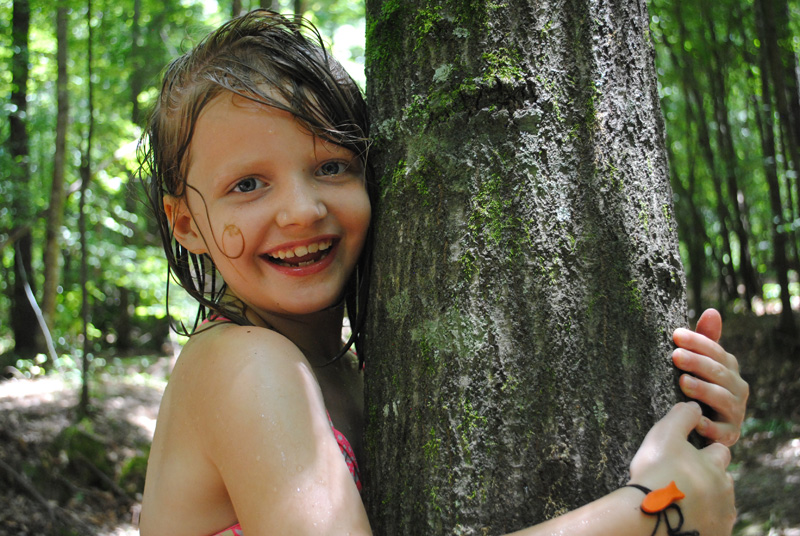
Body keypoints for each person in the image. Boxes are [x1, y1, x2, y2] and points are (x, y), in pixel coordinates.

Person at [138, 10, 749, 536]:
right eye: (248, 184)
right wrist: (657, 509)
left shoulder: (358, 369)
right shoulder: (242, 366)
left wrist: (689, 414)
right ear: (186, 222)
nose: (301, 210)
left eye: (331, 166)